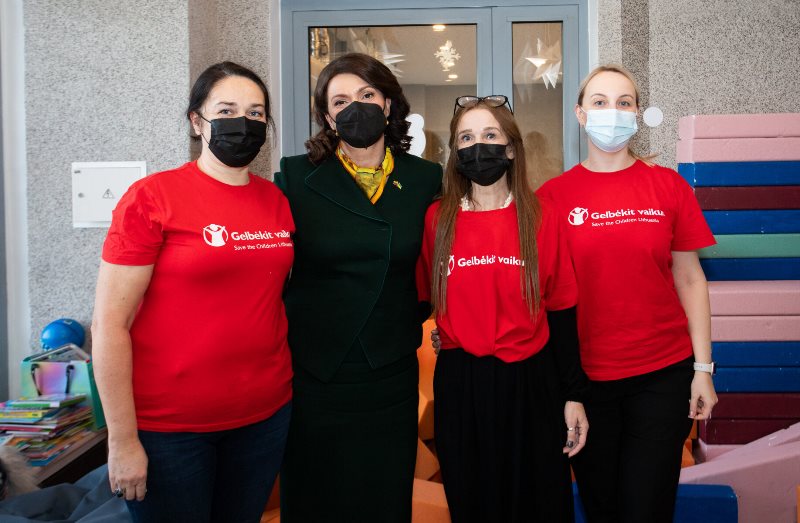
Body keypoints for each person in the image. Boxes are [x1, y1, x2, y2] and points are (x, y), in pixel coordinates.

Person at [92, 62, 293, 523]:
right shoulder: (151, 197)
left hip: (264, 417)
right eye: (226, 110)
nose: (243, 122)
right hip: (171, 431)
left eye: (256, 113)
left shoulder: (276, 200)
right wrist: (122, 439)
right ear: (197, 121)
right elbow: (109, 325)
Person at [537, 64, 719, 523]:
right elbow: (539, 293)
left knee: (646, 508)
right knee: (602, 506)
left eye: (624, 102)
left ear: (637, 113)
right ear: (580, 114)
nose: (612, 112)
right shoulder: (552, 198)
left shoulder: (668, 186)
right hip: (586, 382)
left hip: (663, 375)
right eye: (599, 102)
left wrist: (703, 369)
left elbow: (691, 279)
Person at [273, 52, 442, 522]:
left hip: (388, 369)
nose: (356, 107)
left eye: (367, 95)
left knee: (383, 497)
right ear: (328, 117)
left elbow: (438, 260)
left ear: (387, 104)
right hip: (317, 370)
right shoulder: (295, 177)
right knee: (316, 499)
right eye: (341, 101)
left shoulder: (425, 178)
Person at [416, 95, 589, 522]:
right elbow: (422, 299)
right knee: (473, 502)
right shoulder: (437, 220)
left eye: (490, 135)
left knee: (537, 502)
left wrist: (573, 396)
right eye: (466, 138)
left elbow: (561, 311)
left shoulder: (542, 216)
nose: (479, 146)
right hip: (462, 385)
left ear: (510, 148)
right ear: (456, 153)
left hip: (532, 382)